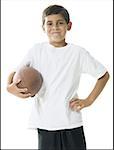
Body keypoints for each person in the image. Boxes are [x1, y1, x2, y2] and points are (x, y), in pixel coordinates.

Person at [7, 4, 110, 150]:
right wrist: (9, 87)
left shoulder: (78, 53)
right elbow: (15, 74)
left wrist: (89, 101)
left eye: (60, 23)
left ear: (69, 26)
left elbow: (103, 75)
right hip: (45, 122)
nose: (55, 27)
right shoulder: (37, 51)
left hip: (71, 121)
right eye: (49, 23)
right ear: (43, 27)